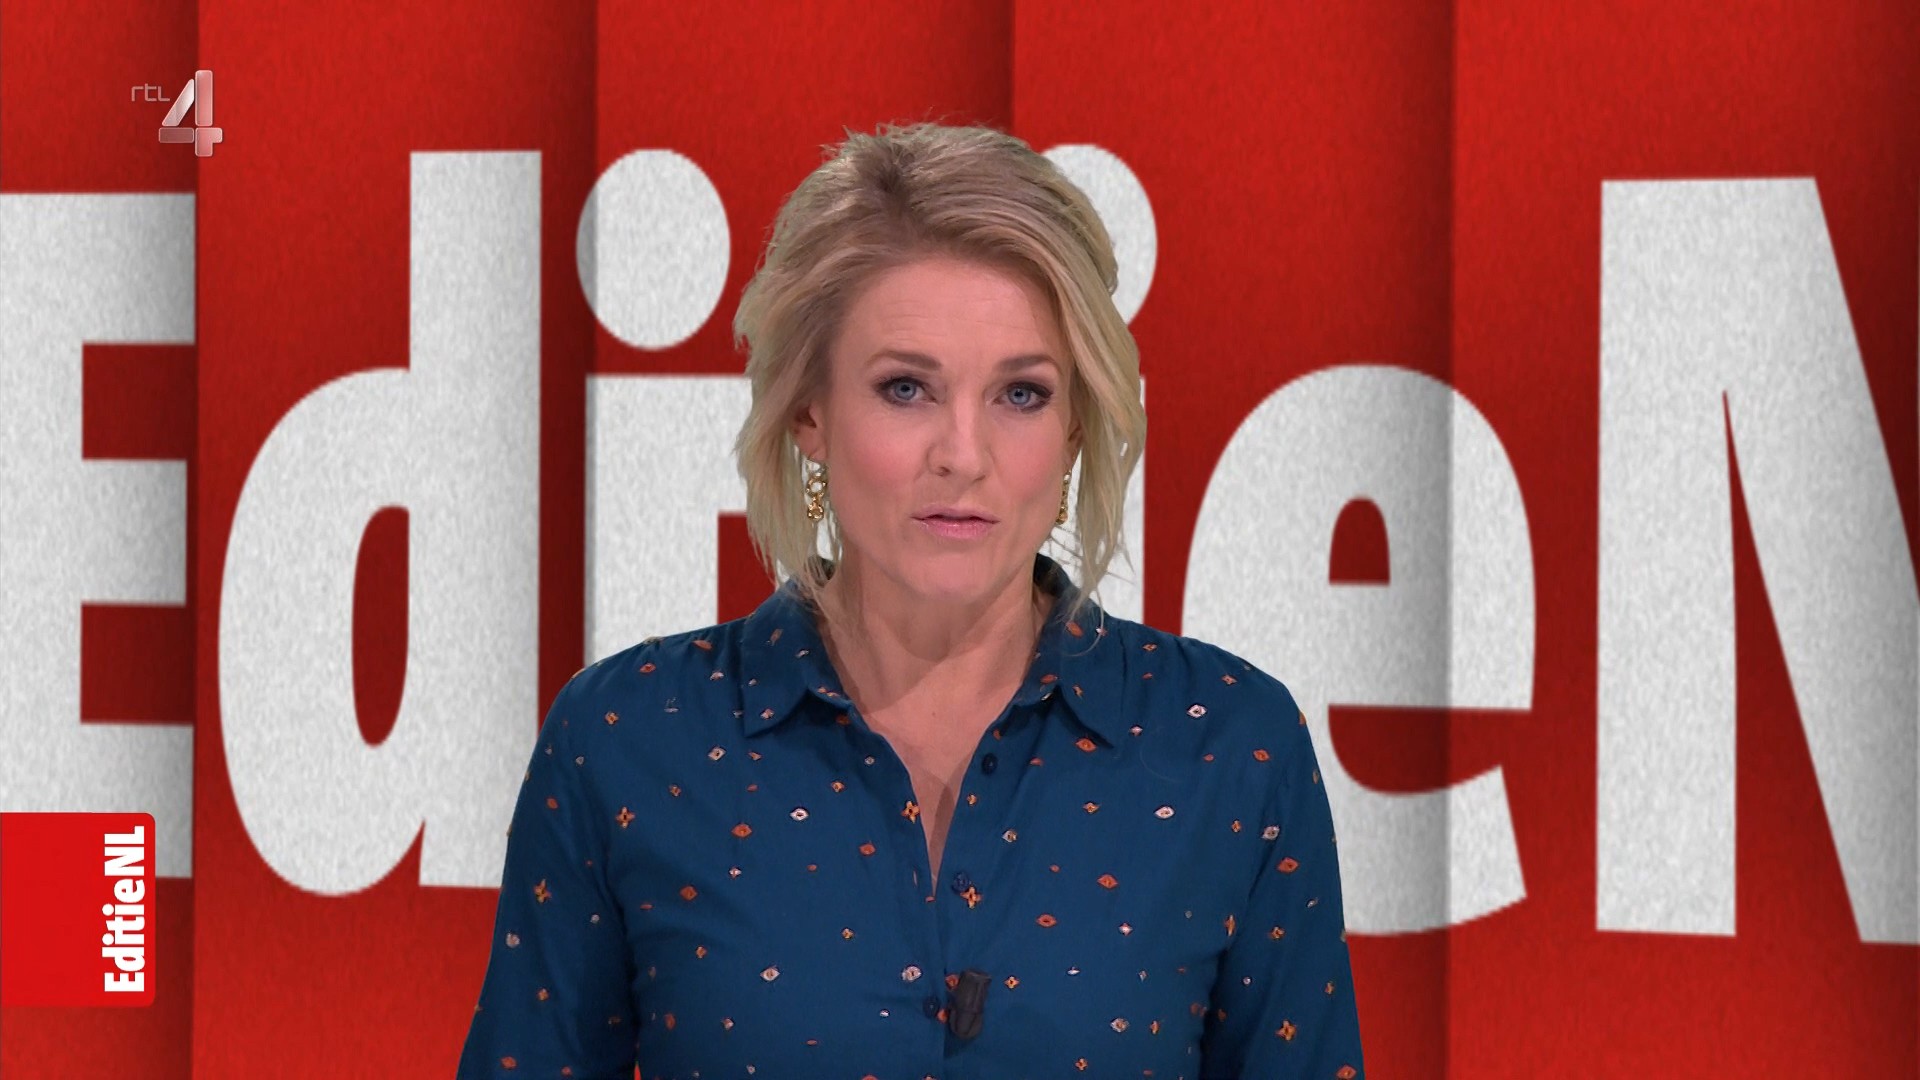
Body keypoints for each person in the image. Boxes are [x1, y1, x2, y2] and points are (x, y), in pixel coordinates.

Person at [458, 120, 1363, 1079]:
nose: (963, 455)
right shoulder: (627, 741)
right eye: (905, 389)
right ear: (808, 412)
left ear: (1075, 429)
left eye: (1021, 395)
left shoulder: (1229, 748)